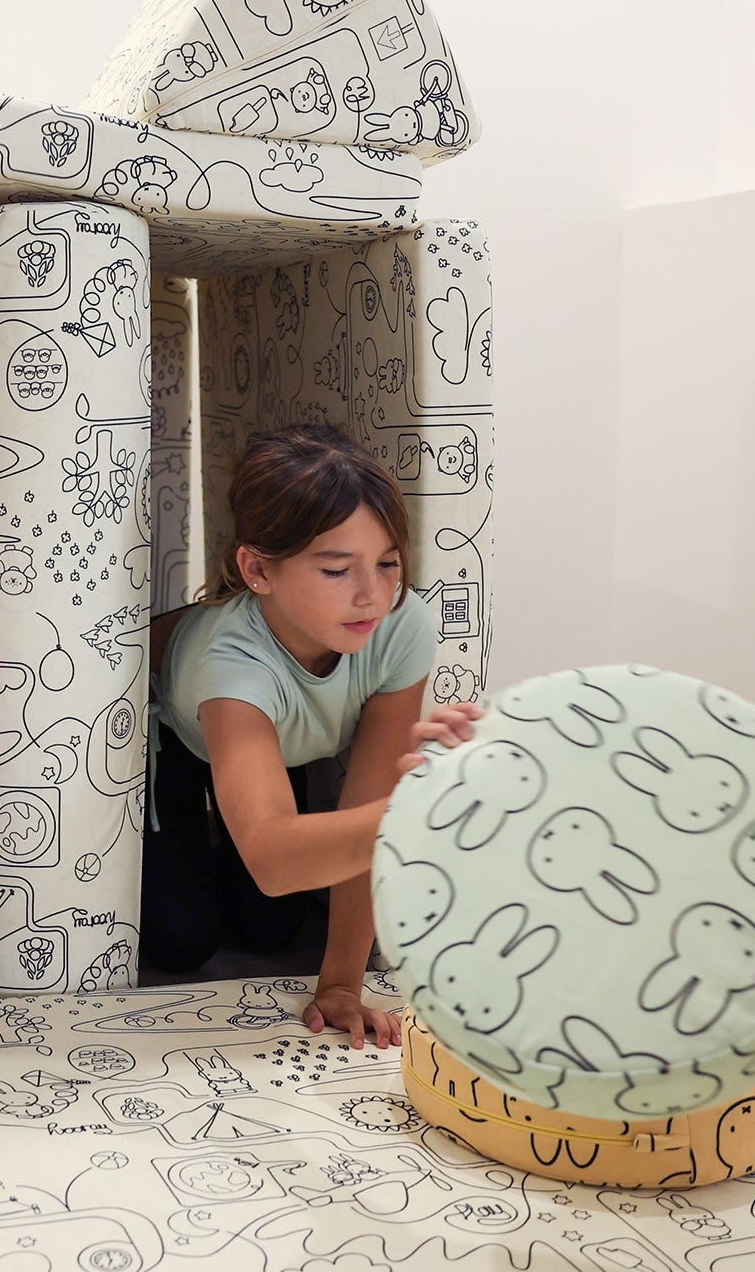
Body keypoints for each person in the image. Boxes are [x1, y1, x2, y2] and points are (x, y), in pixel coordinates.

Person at [144, 424, 481, 1049]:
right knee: (180, 939)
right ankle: (211, 829)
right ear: (257, 569)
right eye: (336, 570)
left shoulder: (400, 625)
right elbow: (276, 860)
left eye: (387, 563)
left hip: (285, 740)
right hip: (176, 734)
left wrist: (342, 985)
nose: (371, 595)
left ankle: (233, 824)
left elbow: (368, 803)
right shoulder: (232, 665)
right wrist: (431, 804)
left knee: (272, 926)